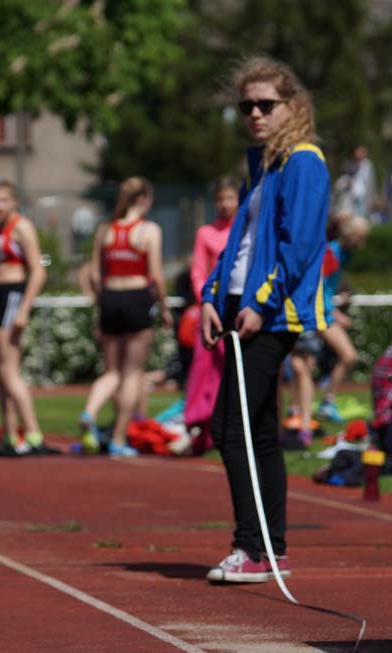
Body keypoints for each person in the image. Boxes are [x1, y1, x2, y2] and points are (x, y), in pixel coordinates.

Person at [201, 57, 330, 583]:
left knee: (231, 427)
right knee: (257, 430)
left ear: (292, 107)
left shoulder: (304, 162)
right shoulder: (264, 165)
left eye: (266, 104)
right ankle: (269, 549)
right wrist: (212, 296)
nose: (255, 113)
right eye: (246, 106)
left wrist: (261, 302)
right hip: (241, 306)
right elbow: (240, 243)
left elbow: (299, 245)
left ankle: (252, 547)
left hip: (271, 314)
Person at [79, 177, 173, 457]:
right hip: (136, 297)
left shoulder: (105, 229)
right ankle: (119, 437)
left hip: (110, 296)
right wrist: (165, 307)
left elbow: (94, 273)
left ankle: (90, 411)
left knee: (111, 372)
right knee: (132, 372)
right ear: (144, 198)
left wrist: (101, 302)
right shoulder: (149, 230)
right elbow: (156, 274)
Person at [0, 181, 47, 453]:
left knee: (7, 370)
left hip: (13, 296)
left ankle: (33, 434)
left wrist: (24, 309)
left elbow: (38, 271)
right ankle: (10, 436)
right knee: (1, 371)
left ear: (14, 202)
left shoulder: (21, 227)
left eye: (3, 200)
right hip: (1, 296)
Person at [182, 177, 238, 453]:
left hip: (238, 307)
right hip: (213, 309)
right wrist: (206, 300)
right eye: (220, 199)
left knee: (234, 370)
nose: (225, 204)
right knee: (205, 371)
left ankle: (233, 427)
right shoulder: (205, 233)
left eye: (230, 198)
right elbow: (198, 270)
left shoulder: (244, 230)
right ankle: (203, 428)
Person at [315, 215, 371, 422]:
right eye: (360, 238)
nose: (362, 244)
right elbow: (319, 285)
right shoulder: (332, 252)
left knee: (308, 364)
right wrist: (334, 313)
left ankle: (321, 403)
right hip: (321, 313)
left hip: (324, 310)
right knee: (348, 356)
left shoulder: (343, 253)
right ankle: (326, 403)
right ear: (349, 234)